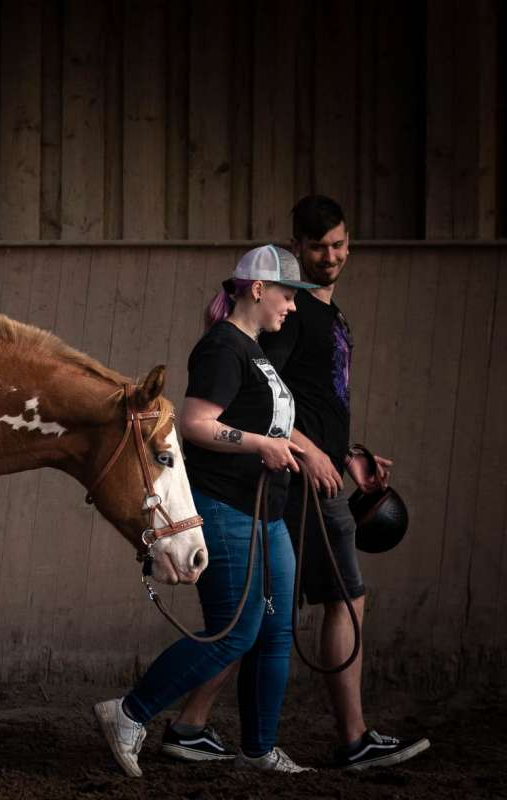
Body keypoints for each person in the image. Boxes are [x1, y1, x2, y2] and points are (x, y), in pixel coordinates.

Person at [162, 196, 430, 771]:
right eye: (317, 248)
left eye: (338, 244)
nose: (330, 256)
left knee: (259, 615)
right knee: (329, 601)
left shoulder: (321, 313)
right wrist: (305, 452)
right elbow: (263, 397)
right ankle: (352, 740)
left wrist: (348, 452)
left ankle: (192, 724)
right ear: (295, 250)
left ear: (349, 242)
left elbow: (296, 400)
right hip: (296, 479)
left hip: (317, 469)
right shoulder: (289, 314)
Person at [93, 245, 317, 776]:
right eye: (287, 294)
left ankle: (260, 748)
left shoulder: (255, 351)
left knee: (276, 630)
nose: (292, 306)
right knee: (234, 630)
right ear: (258, 290)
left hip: (267, 510)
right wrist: (260, 445)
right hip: (226, 505)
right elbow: (195, 423)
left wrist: (290, 448)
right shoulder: (222, 347)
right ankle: (128, 713)